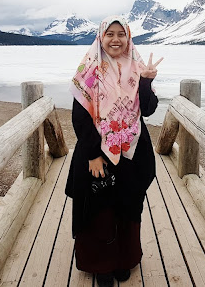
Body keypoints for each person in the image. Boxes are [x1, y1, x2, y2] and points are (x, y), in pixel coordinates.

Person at [65, 15, 163, 286]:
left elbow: (149, 109)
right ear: (100, 37)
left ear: (128, 37)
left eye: (121, 34)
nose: (116, 39)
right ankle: (101, 265)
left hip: (132, 150)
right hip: (97, 152)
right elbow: (80, 117)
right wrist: (92, 154)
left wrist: (145, 81)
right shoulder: (89, 70)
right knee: (100, 209)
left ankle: (124, 259)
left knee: (128, 205)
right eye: (110, 34)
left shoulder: (137, 67)